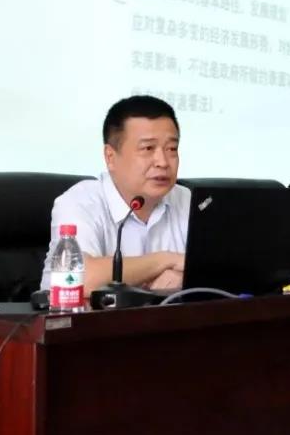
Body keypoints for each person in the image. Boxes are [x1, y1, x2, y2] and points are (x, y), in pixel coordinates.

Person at [40, 95, 188, 293]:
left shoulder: (188, 201)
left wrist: (186, 275)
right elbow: (78, 277)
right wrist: (166, 260)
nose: (162, 162)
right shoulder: (78, 202)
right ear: (110, 157)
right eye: (148, 148)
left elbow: (223, 268)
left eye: (172, 149)